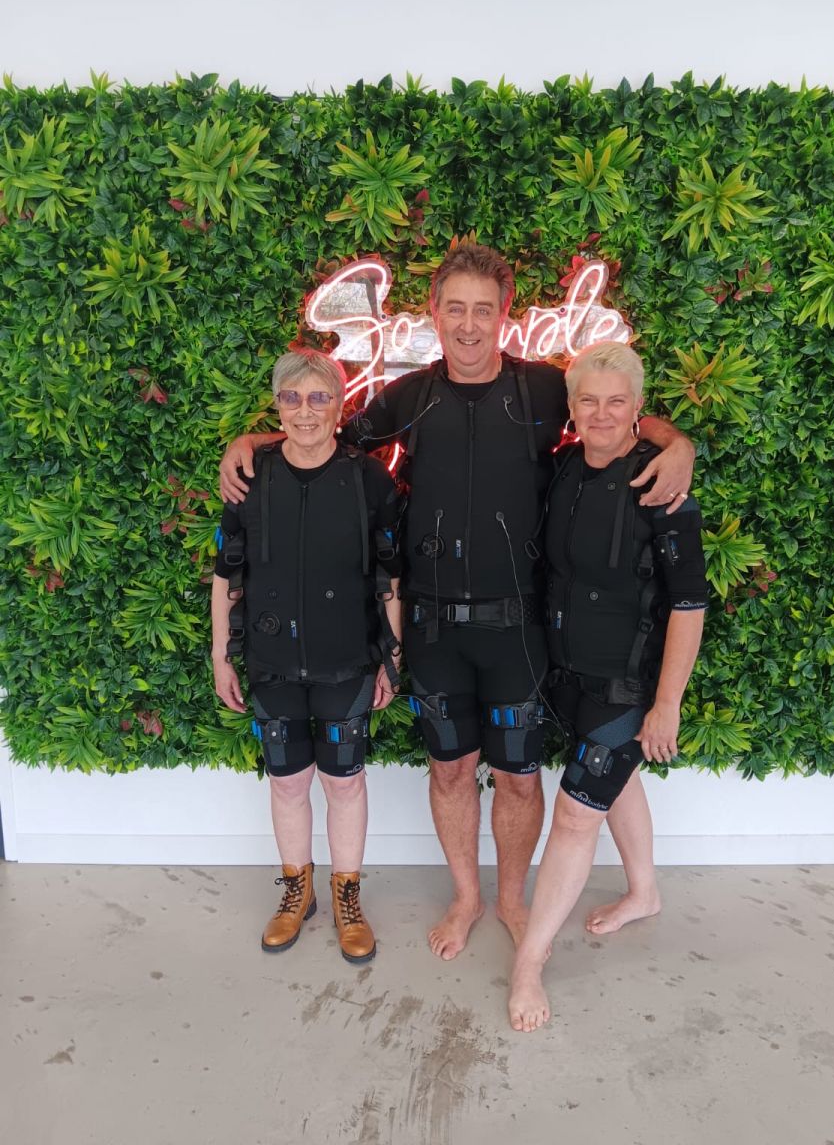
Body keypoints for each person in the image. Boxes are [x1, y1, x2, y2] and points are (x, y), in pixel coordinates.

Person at [219, 245, 696, 961]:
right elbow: (322, 436)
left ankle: (511, 899)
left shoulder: (544, 390)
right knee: (448, 771)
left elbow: (616, 415)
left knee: (518, 777)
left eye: (483, 310)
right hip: (436, 630)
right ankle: (467, 897)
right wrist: (250, 439)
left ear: (504, 315)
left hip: (519, 629)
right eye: (455, 309)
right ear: (435, 314)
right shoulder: (408, 397)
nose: (469, 325)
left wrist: (676, 442)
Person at [507, 341, 708, 1031]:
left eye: (616, 402)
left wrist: (666, 705)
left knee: (574, 817)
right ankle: (644, 892)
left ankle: (530, 960)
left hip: (626, 687)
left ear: (637, 409)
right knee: (615, 786)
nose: (601, 413)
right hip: (566, 674)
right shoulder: (564, 468)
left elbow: (689, 605)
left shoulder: (662, 487)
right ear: (571, 409)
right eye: (588, 400)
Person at [211, 349, 402, 964]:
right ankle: (298, 891)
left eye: (320, 397)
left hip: (347, 661)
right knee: (289, 783)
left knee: (344, 784)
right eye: (291, 398)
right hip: (271, 662)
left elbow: (392, 577)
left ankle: (348, 896)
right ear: (277, 405)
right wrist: (221, 656)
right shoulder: (250, 478)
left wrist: (391, 658)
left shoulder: (368, 480)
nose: (305, 410)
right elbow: (227, 574)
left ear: (340, 405)